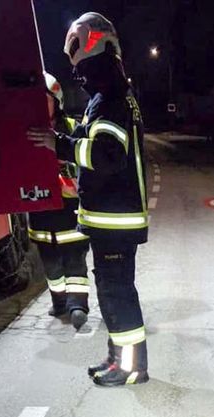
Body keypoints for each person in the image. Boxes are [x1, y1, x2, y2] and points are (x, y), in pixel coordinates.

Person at [29, 12, 149, 386]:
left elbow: (109, 155)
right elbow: (99, 141)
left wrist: (60, 145)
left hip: (115, 219)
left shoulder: (110, 97)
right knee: (113, 292)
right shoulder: (113, 94)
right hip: (112, 218)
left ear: (89, 50)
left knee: (117, 295)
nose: (77, 73)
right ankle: (118, 358)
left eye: (78, 64)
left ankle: (131, 368)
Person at [27, 72, 90, 330]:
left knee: (75, 260)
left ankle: (78, 305)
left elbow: (85, 165)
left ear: (57, 101)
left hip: (69, 209)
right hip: (40, 210)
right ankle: (60, 302)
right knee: (51, 264)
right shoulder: (24, 133)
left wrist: (63, 163)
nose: (41, 106)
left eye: (46, 100)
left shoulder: (72, 129)